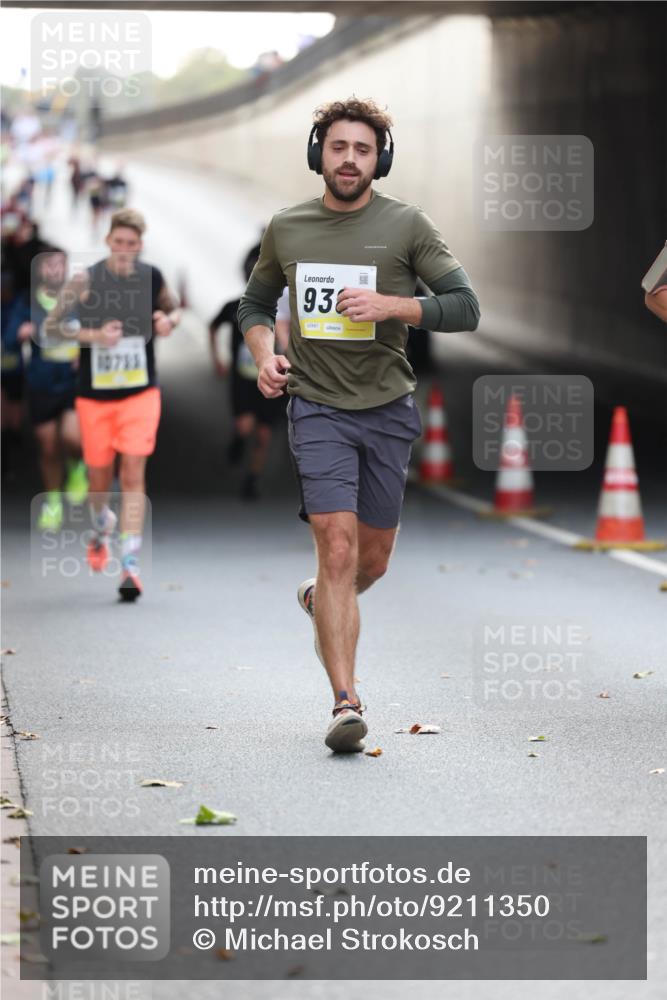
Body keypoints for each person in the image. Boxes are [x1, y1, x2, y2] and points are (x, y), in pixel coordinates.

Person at [238, 97, 480, 752]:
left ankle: (321, 600)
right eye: (339, 147)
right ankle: (345, 701)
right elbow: (254, 305)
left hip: (387, 409)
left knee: (369, 561)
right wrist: (264, 356)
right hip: (316, 407)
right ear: (318, 152)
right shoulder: (287, 227)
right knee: (337, 548)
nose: (349, 160)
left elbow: (465, 307)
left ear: (381, 160)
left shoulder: (406, 225)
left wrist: (392, 305)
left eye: (363, 150)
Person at [46, 208, 181, 601]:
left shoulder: (152, 277)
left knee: (133, 472)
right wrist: (93, 335)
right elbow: (52, 326)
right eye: (118, 242)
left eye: (131, 244)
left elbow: (173, 308)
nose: (124, 249)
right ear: (108, 241)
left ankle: (130, 565)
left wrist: (168, 321)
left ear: (140, 246)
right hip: (95, 397)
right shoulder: (85, 280)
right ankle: (101, 523)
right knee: (99, 479)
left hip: (141, 393)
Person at [4, 246, 87, 528]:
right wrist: (21, 331)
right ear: (39, 269)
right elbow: (9, 338)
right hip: (41, 381)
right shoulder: (28, 300)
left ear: (66, 268)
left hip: (73, 382)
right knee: (48, 446)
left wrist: (85, 353)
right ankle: (53, 503)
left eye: (59, 265)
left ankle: (76, 467)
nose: (54, 270)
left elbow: (99, 331)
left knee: (73, 437)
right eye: (48, 265)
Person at [210, 255, 288, 500]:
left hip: (274, 376)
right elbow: (213, 326)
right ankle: (239, 439)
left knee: (263, 434)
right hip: (243, 377)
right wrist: (217, 359)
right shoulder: (236, 306)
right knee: (245, 425)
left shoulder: (284, 308)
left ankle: (252, 479)